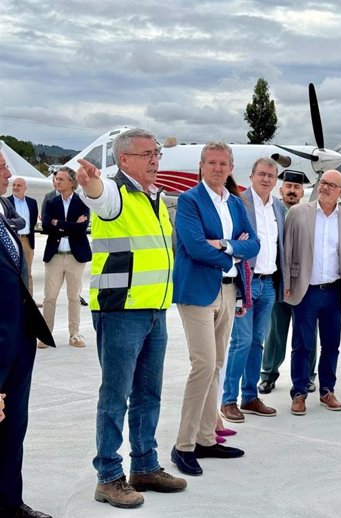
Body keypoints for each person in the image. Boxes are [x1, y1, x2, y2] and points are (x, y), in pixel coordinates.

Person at [76, 128, 187, 509]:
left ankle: (144, 466)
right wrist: (91, 183)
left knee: (148, 394)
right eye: (147, 154)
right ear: (124, 160)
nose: (155, 160)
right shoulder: (115, 194)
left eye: (157, 153)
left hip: (155, 310)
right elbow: (99, 198)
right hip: (121, 311)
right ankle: (108, 476)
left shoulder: (155, 198)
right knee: (115, 396)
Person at [171, 142, 259, 476]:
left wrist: (225, 245)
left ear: (230, 167)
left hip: (227, 292)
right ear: (202, 165)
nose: (218, 168)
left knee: (217, 365)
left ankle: (207, 438)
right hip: (196, 292)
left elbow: (255, 244)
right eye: (212, 163)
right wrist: (234, 255)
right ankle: (184, 445)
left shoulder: (235, 203)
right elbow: (194, 247)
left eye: (224, 164)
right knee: (203, 364)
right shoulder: (190, 200)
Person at [0, 152, 55, 518]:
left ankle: (10, 503)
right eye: (1, 165)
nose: (8, 171)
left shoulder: (5, 211)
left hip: (17, 339)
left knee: (13, 427)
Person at [283, 170, 341, 416]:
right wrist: (287, 282)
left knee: (331, 345)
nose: (325, 187)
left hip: (333, 292)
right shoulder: (298, 213)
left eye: (332, 185)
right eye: (323, 183)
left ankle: (327, 390)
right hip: (305, 291)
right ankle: (298, 393)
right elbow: (286, 250)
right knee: (302, 345)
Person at [220, 157, 285, 423]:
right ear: (251, 176)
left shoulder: (278, 207)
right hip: (244, 283)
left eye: (271, 175)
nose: (266, 179)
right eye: (261, 174)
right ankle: (228, 400)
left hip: (268, 283)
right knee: (241, 341)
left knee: (258, 342)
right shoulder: (238, 203)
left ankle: (249, 396)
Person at [259, 170, 317, 395]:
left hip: (305, 285)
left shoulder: (310, 214)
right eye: (288, 186)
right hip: (278, 283)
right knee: (275, 332)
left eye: (297, 187)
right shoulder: (271, 211)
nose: (292, 190)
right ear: (280, 189)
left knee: (308, 333)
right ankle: (268, 375)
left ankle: (308, 376)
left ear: (303, 192)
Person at [39, 167, 92, 348]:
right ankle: (46, 335)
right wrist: (69, 225)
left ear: (72, 182)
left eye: (61, 179)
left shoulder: (82, 202)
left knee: (74, 297)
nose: (57, 182)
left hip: (75, 256)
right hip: (54, 255)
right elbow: (46, 226)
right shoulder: (51, 202)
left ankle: (74, 334)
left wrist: (58, 224)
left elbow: (81, 228)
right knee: (49, 297)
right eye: (56, 179)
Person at [7, 178, 38, 296]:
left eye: (19, 185)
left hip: (27, 240)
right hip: (13, 240)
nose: (15, 187)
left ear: (25, 188)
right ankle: (15, 299)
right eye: (14, 185)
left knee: (28, 271)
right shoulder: (7, 202)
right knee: (13, 271)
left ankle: (29, 300)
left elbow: (33, 221)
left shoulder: (32, 202)